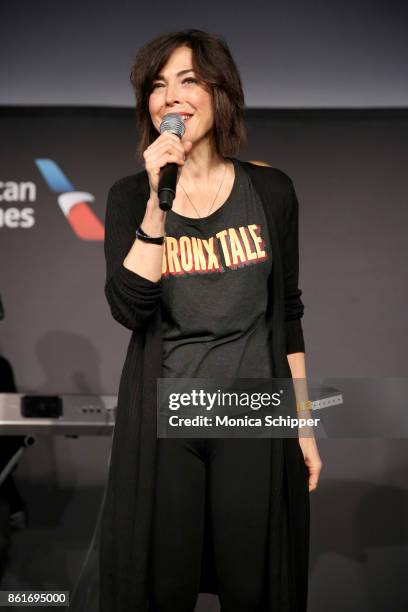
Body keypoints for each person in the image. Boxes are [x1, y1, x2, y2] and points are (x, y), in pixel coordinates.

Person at [99, 28, 322, 612]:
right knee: (163, 588)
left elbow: (288, 313)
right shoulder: (130, 196)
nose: (170, 97)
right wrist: (155, 205)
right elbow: (129, 308)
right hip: (167, 414)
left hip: (251, 411)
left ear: (220, 92)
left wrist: (303, 422)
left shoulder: (270, 191)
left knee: (253, 588)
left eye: (188, 80)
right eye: (157, 85)